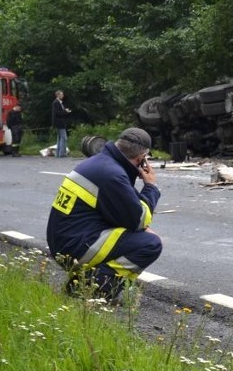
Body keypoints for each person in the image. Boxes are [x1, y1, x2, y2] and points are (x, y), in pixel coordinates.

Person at [46, 127, 162, 303]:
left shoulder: (102, 163)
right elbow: (139, 219)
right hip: (74, 246)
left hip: (65, 241)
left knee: (141, 235)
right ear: (141, 158)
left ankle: (83, 281)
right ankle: (92, 290)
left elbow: (122, 213)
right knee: (150, 244)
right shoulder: (113, 175)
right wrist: (151, 187)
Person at [52, 90, 71, 158]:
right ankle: (62, 153)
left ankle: (58, 153)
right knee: (64, 137)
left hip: (60, 122)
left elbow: (60, 112)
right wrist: (65, 111)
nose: (63, 96)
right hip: (59, 123)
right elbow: (57, 113)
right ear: (58, 95)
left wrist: (65, 111)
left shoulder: (59, 103)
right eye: (61, 94)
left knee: (59, 138)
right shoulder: (56, 103)